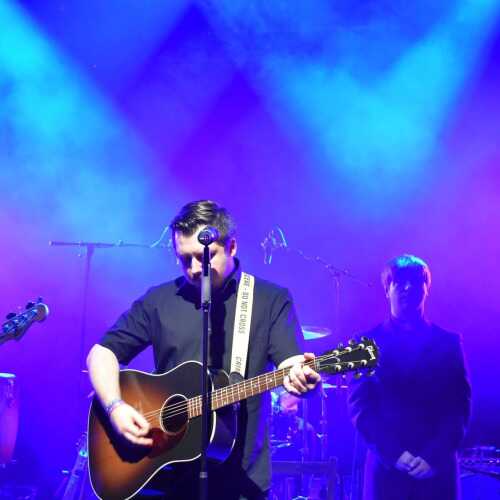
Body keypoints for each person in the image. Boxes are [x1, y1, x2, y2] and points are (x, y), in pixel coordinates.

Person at [86, 200, 321, 499]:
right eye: (184, 259)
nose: (195, 269)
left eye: (203, 257)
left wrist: (300, 376)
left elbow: (291, 362)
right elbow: (101, 353)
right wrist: (115, 407)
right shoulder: (159, 300)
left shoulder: (270, 299)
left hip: (240, 483)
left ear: (232, 247)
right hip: (162, 479)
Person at [349, 254, 471, 500]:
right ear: (387, 289)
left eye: (415, 282)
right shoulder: (365, 343)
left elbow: (459, 407)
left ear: (426, 288)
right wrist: (394, 454)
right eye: (399, 282)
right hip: (387, 469)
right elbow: (360, 407)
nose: (407, 288)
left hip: (437, 471)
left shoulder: (448, 342)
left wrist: (434, 456)